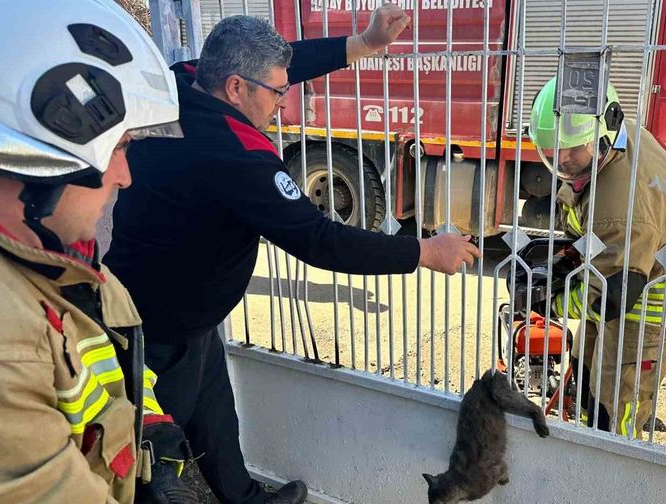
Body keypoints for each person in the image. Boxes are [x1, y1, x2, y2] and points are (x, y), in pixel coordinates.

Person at [104, 4, 481, 503]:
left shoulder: (181, 84)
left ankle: (247, 499)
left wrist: (362, 44)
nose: (284, 102)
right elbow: (319, 240)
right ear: (236, 88)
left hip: (174, 308)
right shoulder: (239, 159)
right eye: (278, 93)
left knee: (217, 420)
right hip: (159, 332)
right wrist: (423, 251)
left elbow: (283, 64)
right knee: (154, 459)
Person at [0, 1, 197, 503]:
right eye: (118, 148)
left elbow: (112, 358)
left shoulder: (61, 258)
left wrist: (151, 431)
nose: (125, 177)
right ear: (41, 156)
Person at [527, 77, 666, 436]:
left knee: (617, 399)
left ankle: (617, 456)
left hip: (647, 304)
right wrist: (566, 258)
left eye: (572, 151)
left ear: (602, 136)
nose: (562, 160)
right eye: (553, 152)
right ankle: (587, 429)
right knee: (585, 368)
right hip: (631, 271)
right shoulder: (619, 137)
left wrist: (547, 303)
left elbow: (609, 295)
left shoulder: (621, 208)